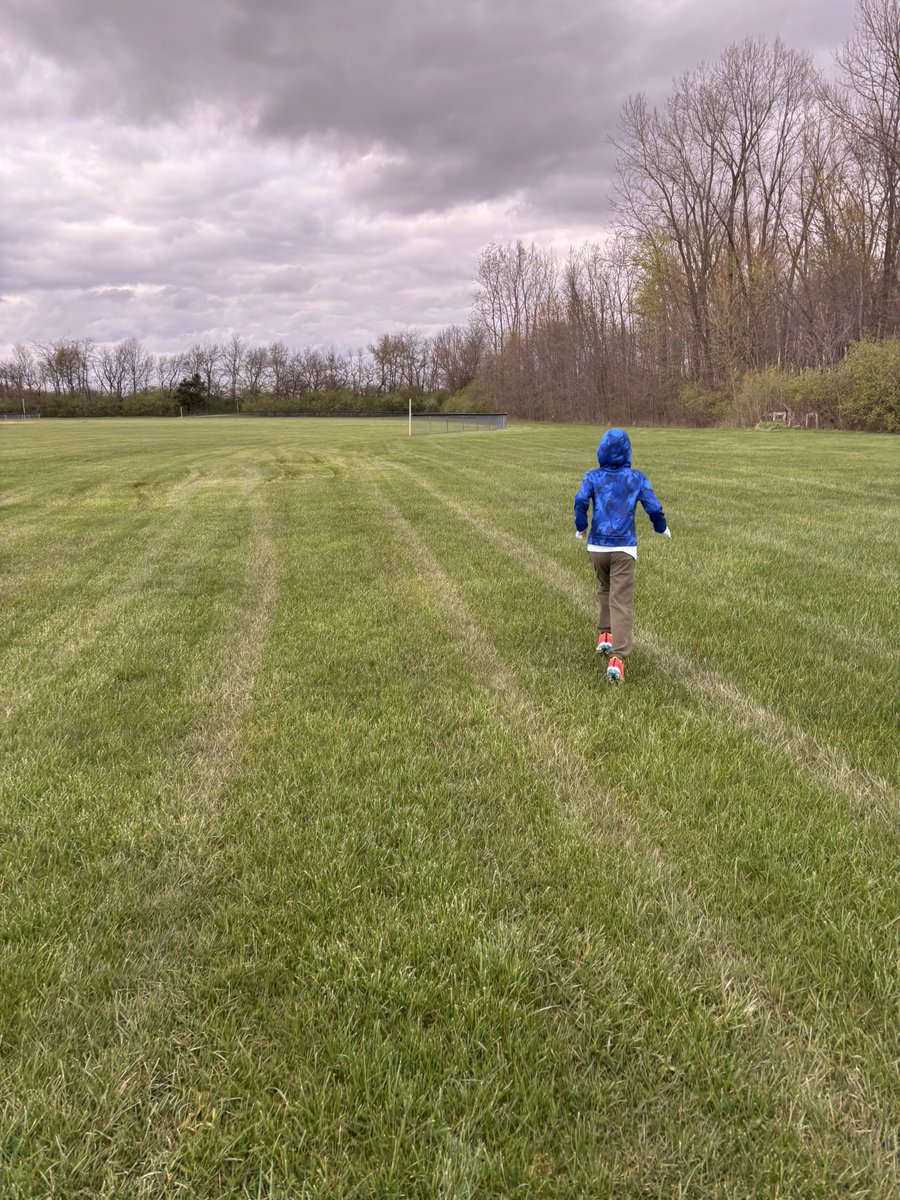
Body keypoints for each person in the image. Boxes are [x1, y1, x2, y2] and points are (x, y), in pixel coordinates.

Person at [573, 428, 670, 685]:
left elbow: (581, 500)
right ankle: (618, 657)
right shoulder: (636, 478)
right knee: (621, 600)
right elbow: (653, 506)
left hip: (597, 547)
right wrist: (661, 527)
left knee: (605, 588)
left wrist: (581, 525)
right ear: (627, 451)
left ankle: (605, 635)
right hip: (624, 548)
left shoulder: (592, 476)